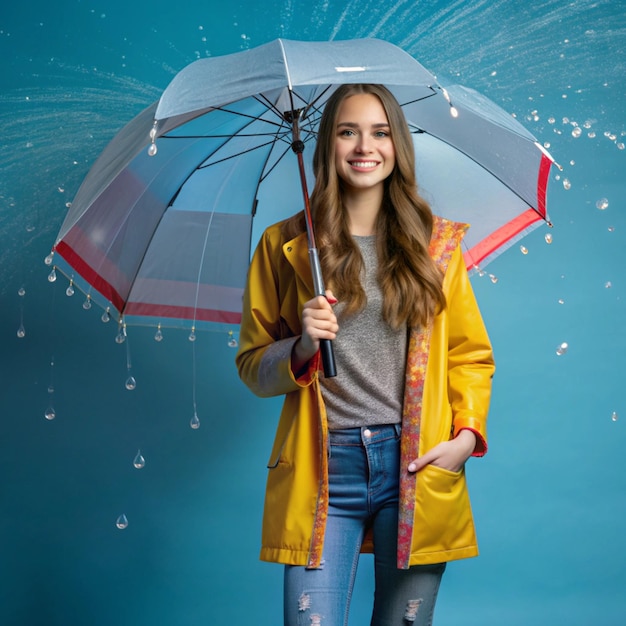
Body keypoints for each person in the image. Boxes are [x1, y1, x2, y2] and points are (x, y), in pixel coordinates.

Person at [236, 83, 495, 626]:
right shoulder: (285, 247)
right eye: (348, 131)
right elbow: (252, 367)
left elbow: (470, 356)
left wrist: (465, 439)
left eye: (380, 132)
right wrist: (302, 346)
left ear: (397, 145)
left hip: (416, 466)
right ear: (327, 143)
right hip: (324, 467)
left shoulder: (436, 246)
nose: (364, 147)